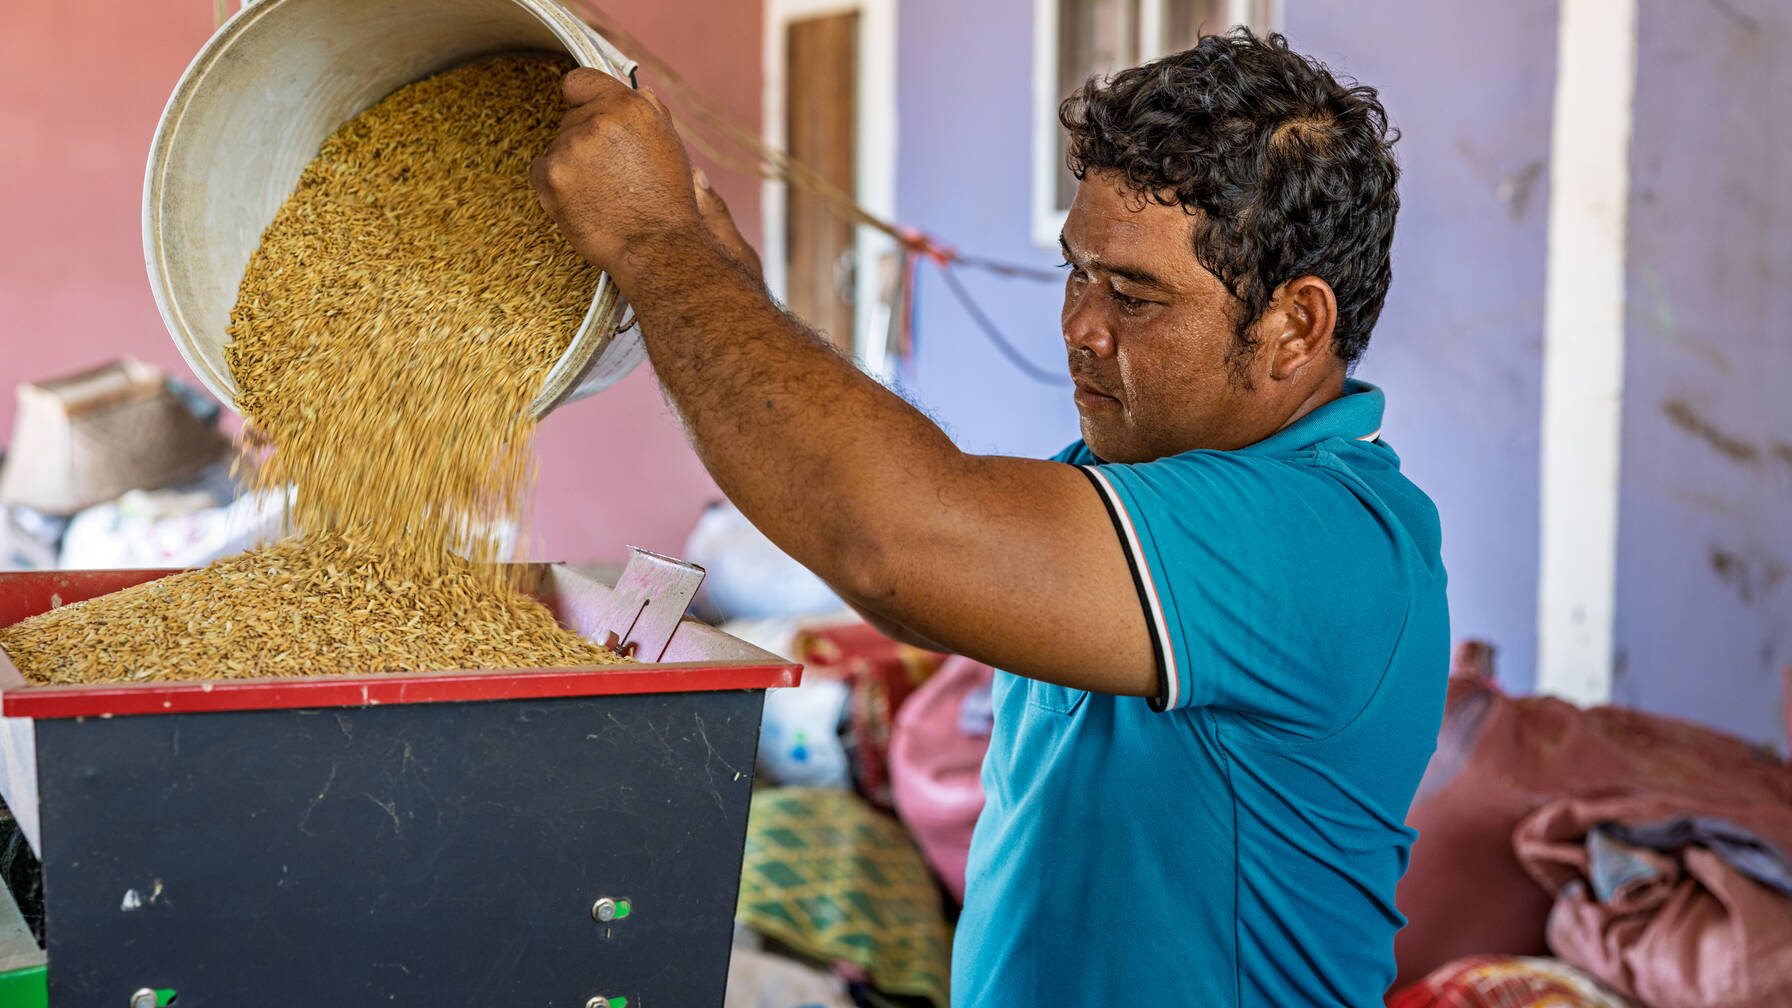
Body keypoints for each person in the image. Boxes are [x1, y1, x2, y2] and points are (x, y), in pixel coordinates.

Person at [532, 28, 1448, 1007]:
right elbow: (919, 598)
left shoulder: (1317, 537)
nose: (1079, 328)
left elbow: (893, 543)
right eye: (1077, 271)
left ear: (1294, 327)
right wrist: (722, 299)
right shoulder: (1133, 475)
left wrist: (655, 245)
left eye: (1133, 295)